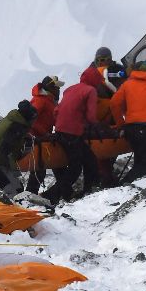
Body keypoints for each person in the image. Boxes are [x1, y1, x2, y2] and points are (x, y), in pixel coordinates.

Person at [44, 72, 104, 203]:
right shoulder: (91, 91)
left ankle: (88, 189)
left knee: (89, 159)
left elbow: (56, 111)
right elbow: (91, 117)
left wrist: (62, 123)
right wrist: (98, 128)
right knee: (75, 168)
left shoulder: (70, 89)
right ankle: (52, 195)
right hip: (73, 133)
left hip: (60, 131)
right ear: (96, 81)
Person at [0, 99, 37, 197]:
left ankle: (20, 206)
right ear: (28, 117)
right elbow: (5, 150)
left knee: (19, 190)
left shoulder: (14, 119)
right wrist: (16, 172)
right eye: (33, 118)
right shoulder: (16, 127)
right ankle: (17, 210)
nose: (34, 121)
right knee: (13, 191)